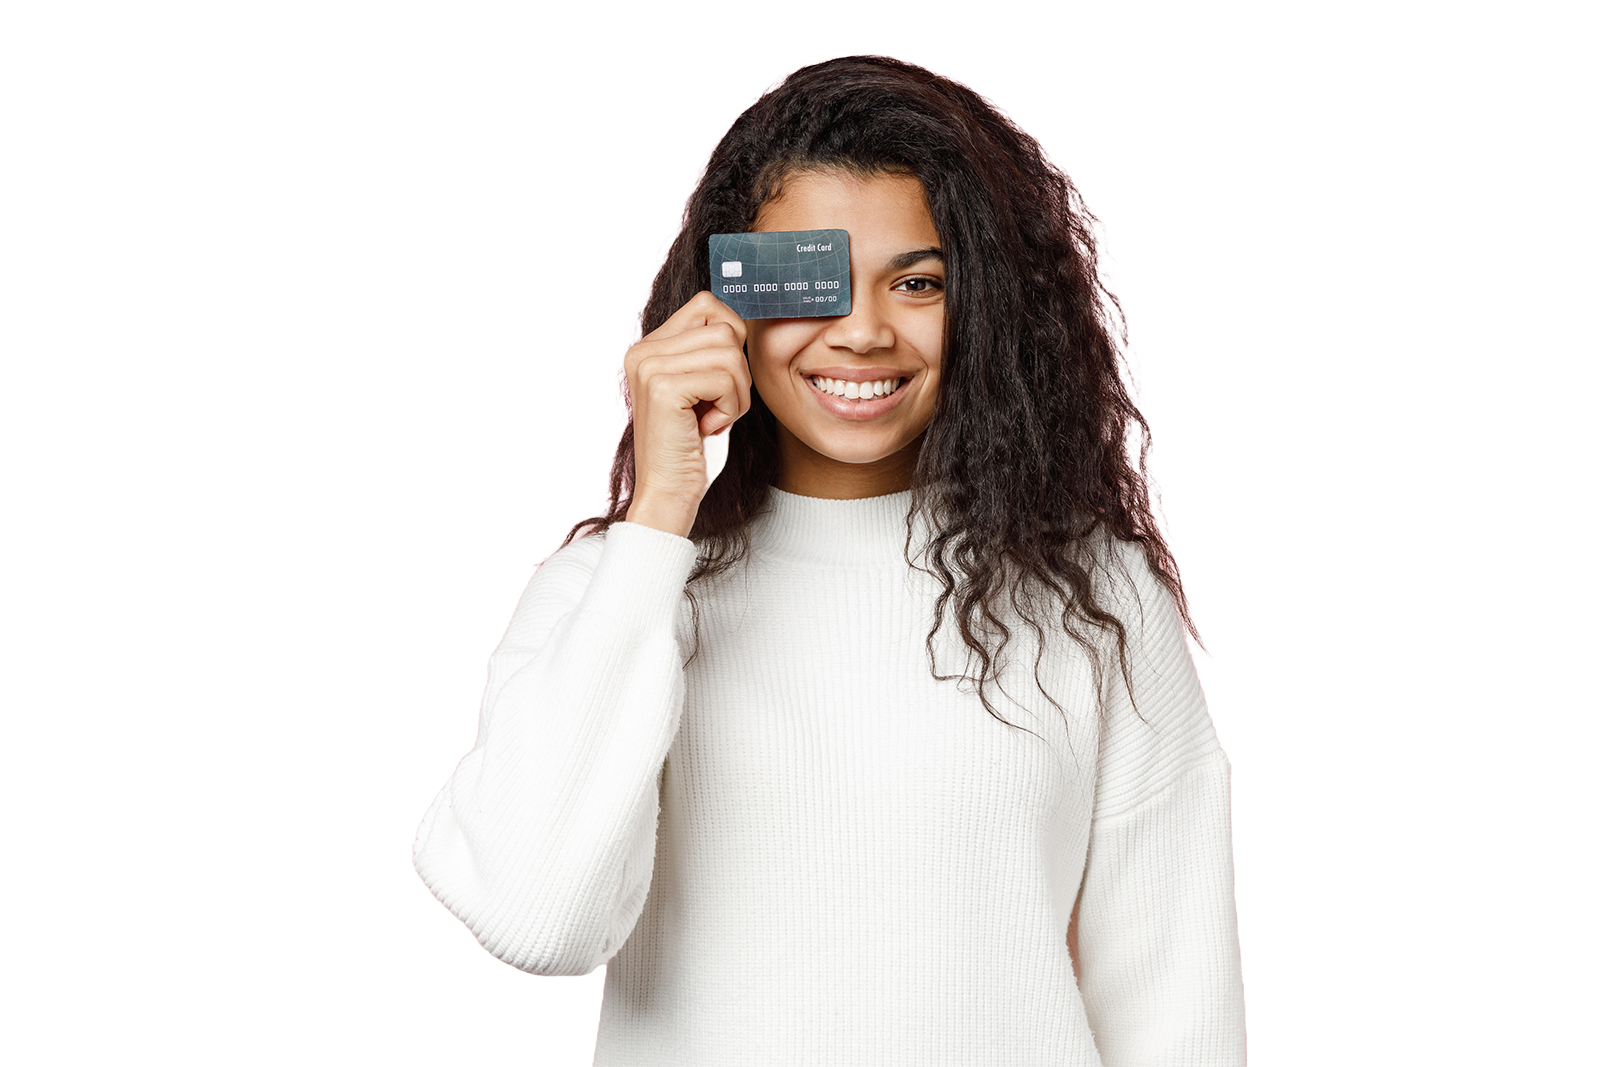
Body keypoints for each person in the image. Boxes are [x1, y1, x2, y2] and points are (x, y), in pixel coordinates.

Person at [413, 53, 1245, 1066]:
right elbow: (536, 916)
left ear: (987, 307)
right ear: (728, 303)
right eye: (816, 280)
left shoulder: (1095, 596)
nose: (861, 331)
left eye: (919, 281)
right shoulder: (616, 591)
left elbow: (1174, 1008)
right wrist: (661, 515)